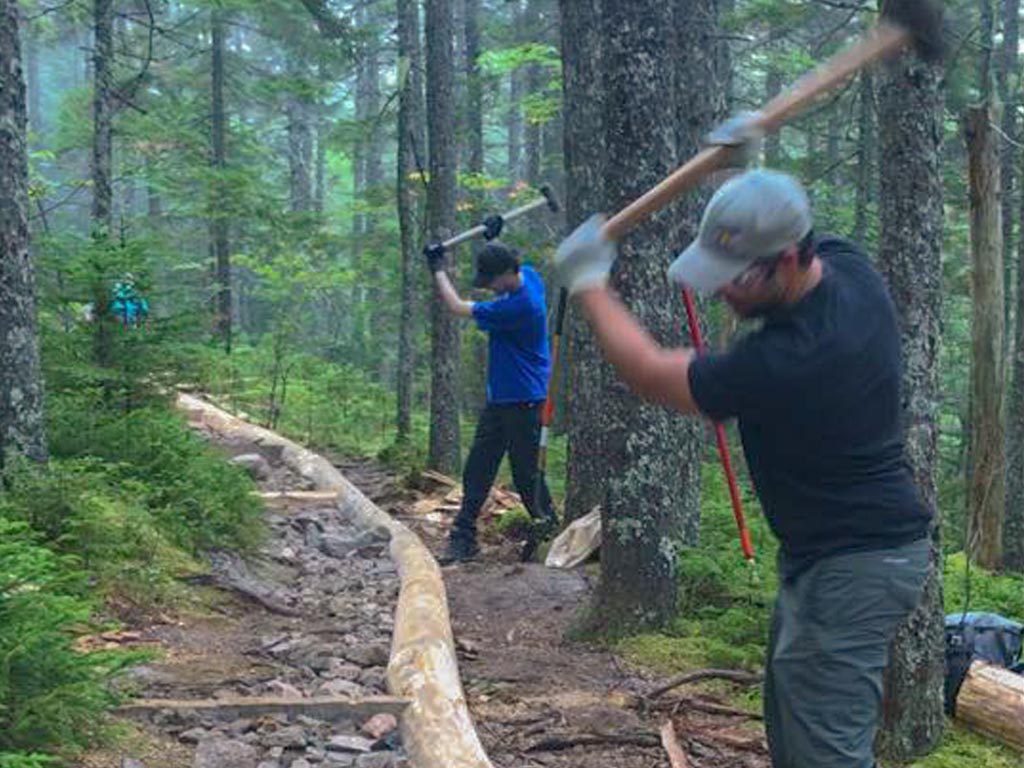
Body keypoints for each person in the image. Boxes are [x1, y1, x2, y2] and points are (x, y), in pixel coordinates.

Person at [554, 168, 933, 768]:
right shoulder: (847, 269)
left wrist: (591, 285)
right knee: (795, 733)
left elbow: (652, 372)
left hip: (855, 565)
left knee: (826, 757)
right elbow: (789, 212)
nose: (719, 292)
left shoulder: (792, 358)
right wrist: (744, 165)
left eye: (734, 279)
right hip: (832, 556)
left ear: (785, 261)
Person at [424, 217, 558, 564]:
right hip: (502, 399)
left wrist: (437, 268)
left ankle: (549, 532)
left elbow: (455, 307)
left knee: (527, 474)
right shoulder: (529, 276)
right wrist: (494, 238)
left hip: (525, 400)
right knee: (478, 468)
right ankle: (463, 537)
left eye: (491, 281)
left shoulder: (518, 306)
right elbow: (511, 261)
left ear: (504, 276)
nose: (488, 288)